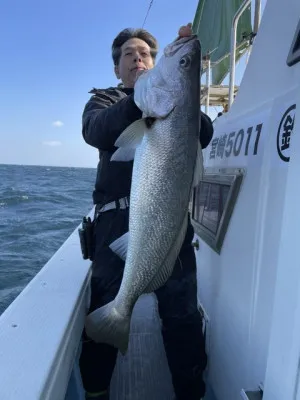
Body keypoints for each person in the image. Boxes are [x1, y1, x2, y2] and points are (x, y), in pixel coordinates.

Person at [79, 23, 214, 400]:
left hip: (170, 220)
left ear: (156, 63)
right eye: (129, 54)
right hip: (112, 224)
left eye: (146, 54)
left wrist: (184, 89)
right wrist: (141, 99)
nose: (138, 57)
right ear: (117, 68)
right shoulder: (105, 101)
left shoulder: (175, 103)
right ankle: (97, 391)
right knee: (106, 305)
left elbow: (203, 132)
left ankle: (191, 392)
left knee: (183, 317)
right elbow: (96, 131)